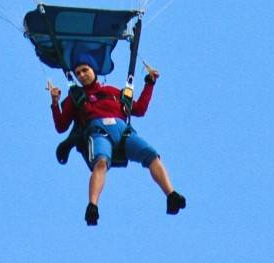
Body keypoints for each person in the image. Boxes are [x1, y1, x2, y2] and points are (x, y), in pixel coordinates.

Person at [47, 53, 186, 225]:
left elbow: (139, 109)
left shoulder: (113, 92)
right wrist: (55, 103)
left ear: (93, 70)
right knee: (101, 162)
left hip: (123, 132)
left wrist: (150, 83)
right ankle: (92, 206)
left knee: (152, 155)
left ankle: (171, 194)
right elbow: (61, 126)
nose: (82, 75)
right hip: (98, 132)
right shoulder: (74, 98)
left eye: (85, 70)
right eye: (78, 73)